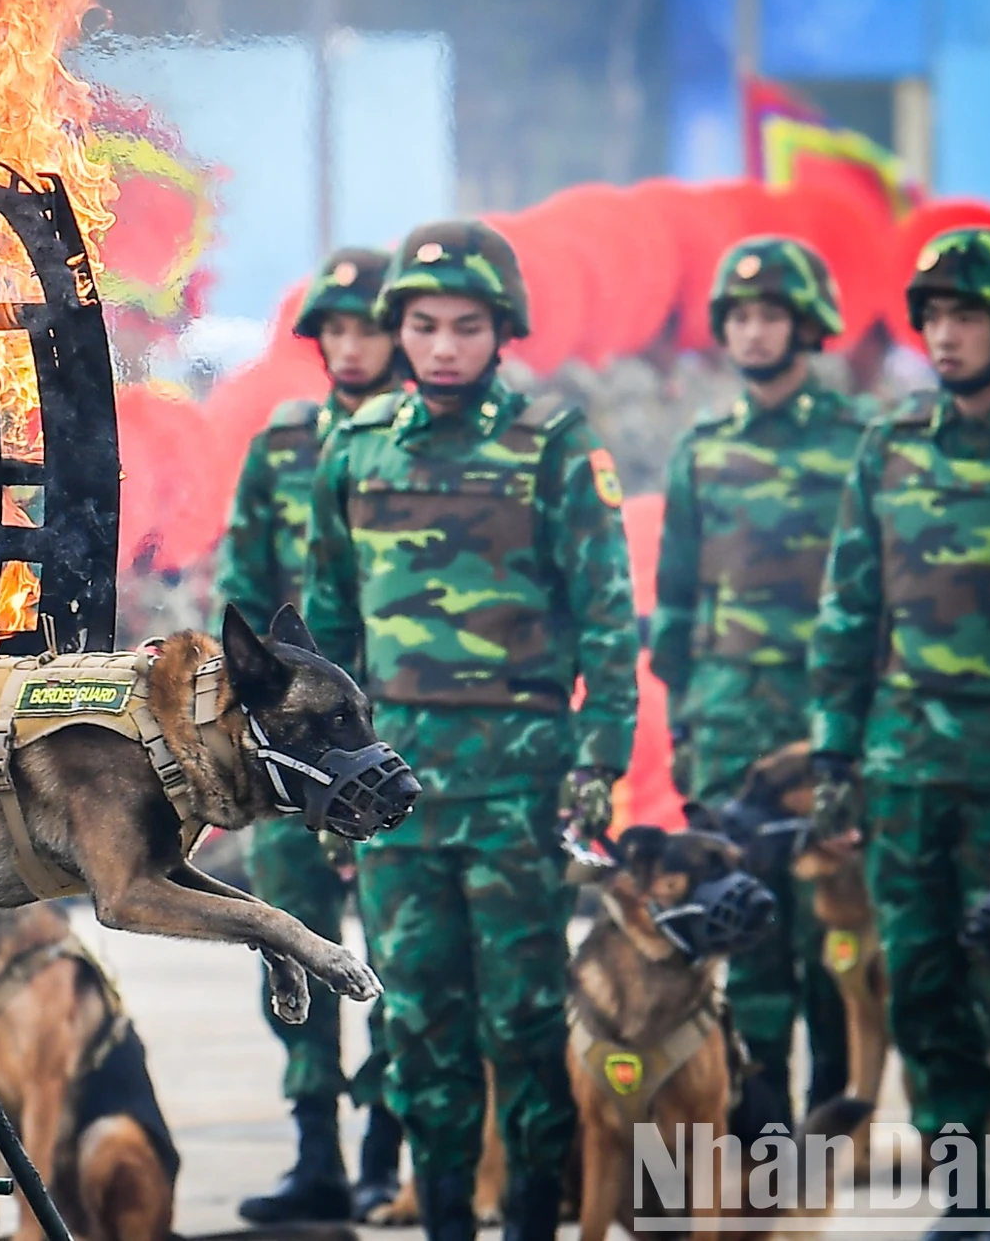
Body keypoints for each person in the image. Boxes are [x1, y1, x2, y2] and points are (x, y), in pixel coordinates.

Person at [305, 220, 639, 1241]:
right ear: (395, 330)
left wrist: (596, 767)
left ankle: (533, 1218)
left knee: (525, 1024)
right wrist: (320, 779)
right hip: (395, 791)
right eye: (421, 324)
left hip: (519, 789)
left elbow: (607, 620)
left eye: (463, 325)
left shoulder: (552, 444)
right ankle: (447, 1217)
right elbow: (327, 632)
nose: (441, 345)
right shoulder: (352, 452)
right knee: (420, 1024)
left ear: (502, 330)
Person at [808, 226, 990, 1235]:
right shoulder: (889, 445)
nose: (943, 337)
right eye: (933, 317)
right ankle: (960, 1186)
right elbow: (847, 608)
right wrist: (833, 752)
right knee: (920, 982)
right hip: (904, 764)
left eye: (966, 317)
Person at [649, 236, 858, 1120]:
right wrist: (691, 723)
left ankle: (834, 1103)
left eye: (772, 314)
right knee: (749, 922)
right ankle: (762, 1115)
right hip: (732, 726)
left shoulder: (862, 444)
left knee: (832, 928)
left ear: (804, 325)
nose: (756, 330)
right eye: (739, 315)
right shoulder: (703, 449)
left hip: (827, 725)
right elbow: (676, 598)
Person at [218, 247, 407, 1225]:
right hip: (289, 753)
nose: (346, 344)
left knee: (394, 946)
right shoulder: (282, 442)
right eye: (330, 329)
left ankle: (384, 1146)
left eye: (363, 326)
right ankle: (314, 1155)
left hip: (382, 739)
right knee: (290, 940)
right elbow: (243, 596)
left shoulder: (414, 446)